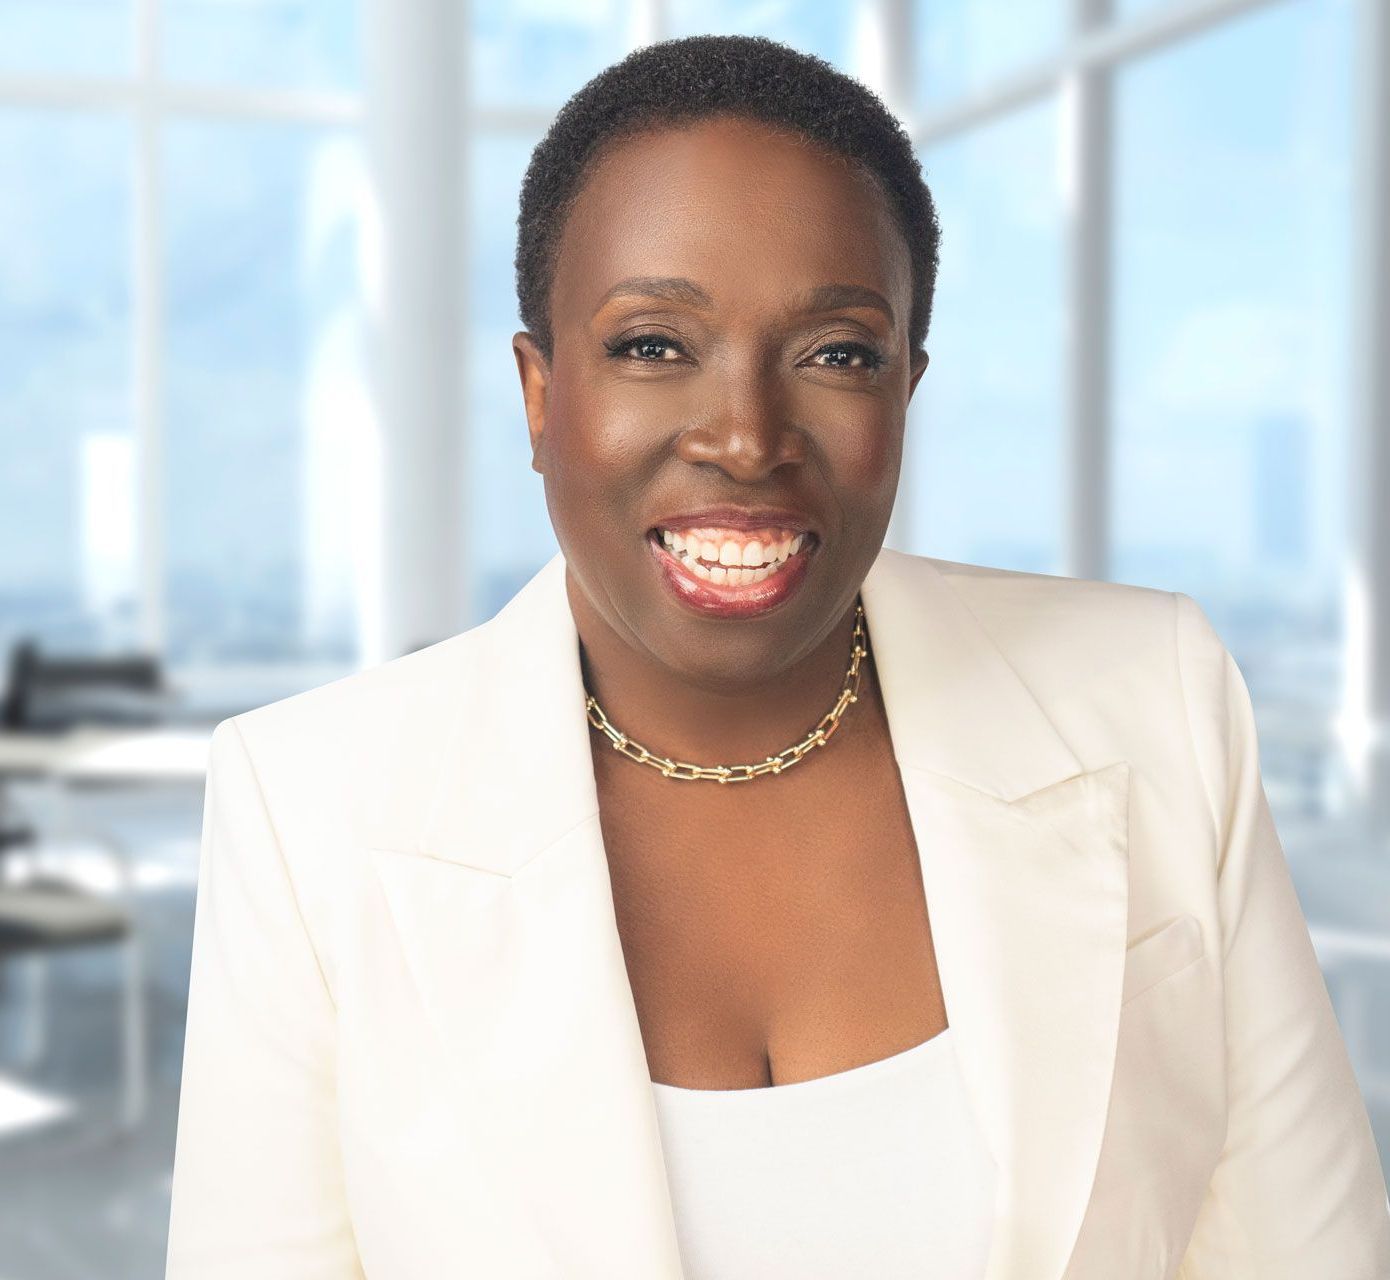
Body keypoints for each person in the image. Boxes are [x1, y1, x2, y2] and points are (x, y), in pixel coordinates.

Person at [164, 34, 1390, 1280]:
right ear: (540, 393)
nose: (746, 437)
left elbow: (1307, 1252)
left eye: (837, 353)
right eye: (652, 343)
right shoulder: (310, 803)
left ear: (904, 390)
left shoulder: (1150, 697)